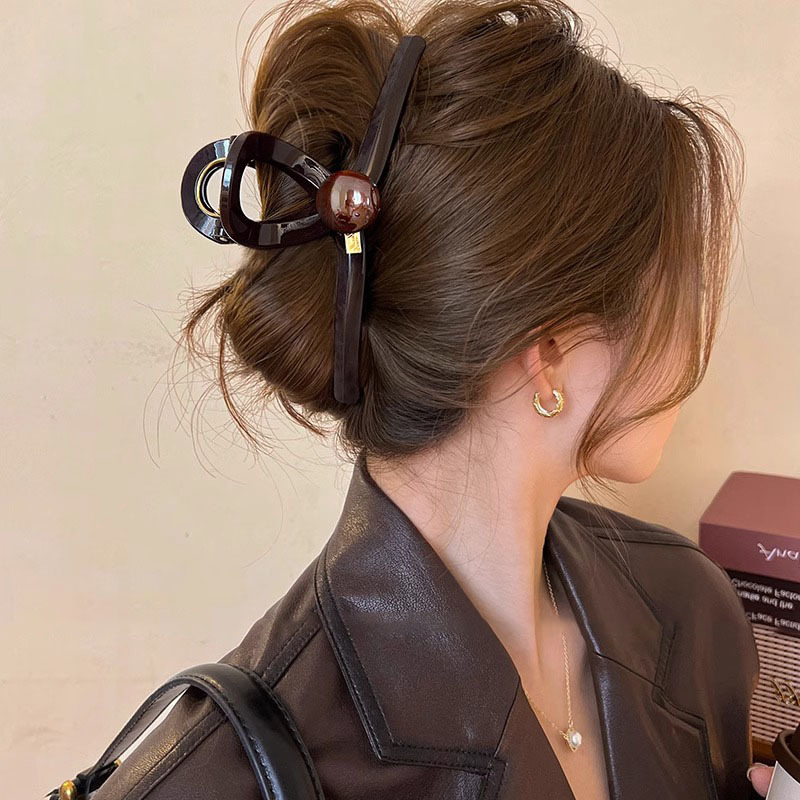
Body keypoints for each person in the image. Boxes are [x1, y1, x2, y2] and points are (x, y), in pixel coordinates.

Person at [67, 0, 773, 797]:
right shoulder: (214, 780)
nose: (694, 342)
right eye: (677, 290)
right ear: (550, 350)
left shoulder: (691, 614)